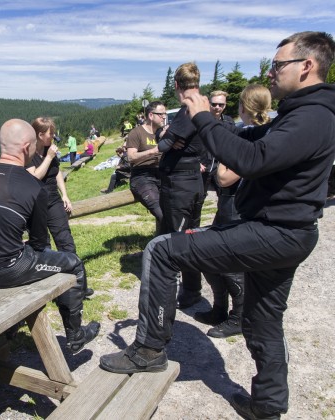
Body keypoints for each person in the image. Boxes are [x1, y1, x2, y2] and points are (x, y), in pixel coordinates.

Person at [100, 31, 335, 420]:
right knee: (262, 319)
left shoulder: (313, 116)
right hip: (288, 232)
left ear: (307, 67)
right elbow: (247, 135)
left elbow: (253, 159)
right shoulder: (303, 111)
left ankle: (148, 350)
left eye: (279, 65)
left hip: (274, 231)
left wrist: (203, 116)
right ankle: (268, 407)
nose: (272, 72)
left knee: (162, 249)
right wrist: (205, 114)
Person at [0, 118, 100, 353]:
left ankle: (10, 328)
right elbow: (39, 244)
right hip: (7, 270)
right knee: (74, 264)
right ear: (27, 147)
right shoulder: (33, 186)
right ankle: (76, 335)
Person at [194, 84, 272, 339]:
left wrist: (222, 159)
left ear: (243, 106)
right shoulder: (250, 130)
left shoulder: (255, 134)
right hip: (228, 206)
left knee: (229, 263)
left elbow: (225, 177)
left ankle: (238, 316)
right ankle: (219, 308)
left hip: (238, 206)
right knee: (208, 257)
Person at [156, 63, 206, 309]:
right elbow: (168, 139)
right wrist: (167, 136)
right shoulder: (202, 104)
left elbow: (165, 143)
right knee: (191, 234)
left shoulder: (188, 109)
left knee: (181, 238)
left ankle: (189, 291)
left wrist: (166, 136)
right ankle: (191, 288)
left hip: (180, 183)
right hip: (192, 181)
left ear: (176, 85)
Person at [27, 117, 94, 297]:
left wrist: (65, 194)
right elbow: (34, 178)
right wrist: (48, 157)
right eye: (51, 133)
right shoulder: (28, 153)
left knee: (66, 242)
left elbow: (57, 173)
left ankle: (79, 286)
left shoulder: (50, 150)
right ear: (40, 135)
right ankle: (50, 289)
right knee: (43, 248)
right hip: (35, 206)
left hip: (54, 201)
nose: (54, 136)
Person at [125, 101, 167, 233]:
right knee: (160, 212)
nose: (164, 117)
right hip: (142, 176)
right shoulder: (136, 133)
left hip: (162, 173)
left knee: (173, 210)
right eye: (161, 114)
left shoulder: (163, 133)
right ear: (151, 115)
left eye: (165, 114)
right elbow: (131, 157)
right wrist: (152, 151)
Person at [201, 90, 235, 195]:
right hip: (204, 165)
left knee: (225, 196)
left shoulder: (229, 121)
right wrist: (197, 161)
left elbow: (234, 142)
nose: (217, 107)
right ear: (209, 104)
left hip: (222, 165)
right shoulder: (201, 120)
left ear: (225, 106)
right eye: (214, 104)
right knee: (198, 200)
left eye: (220, 104)